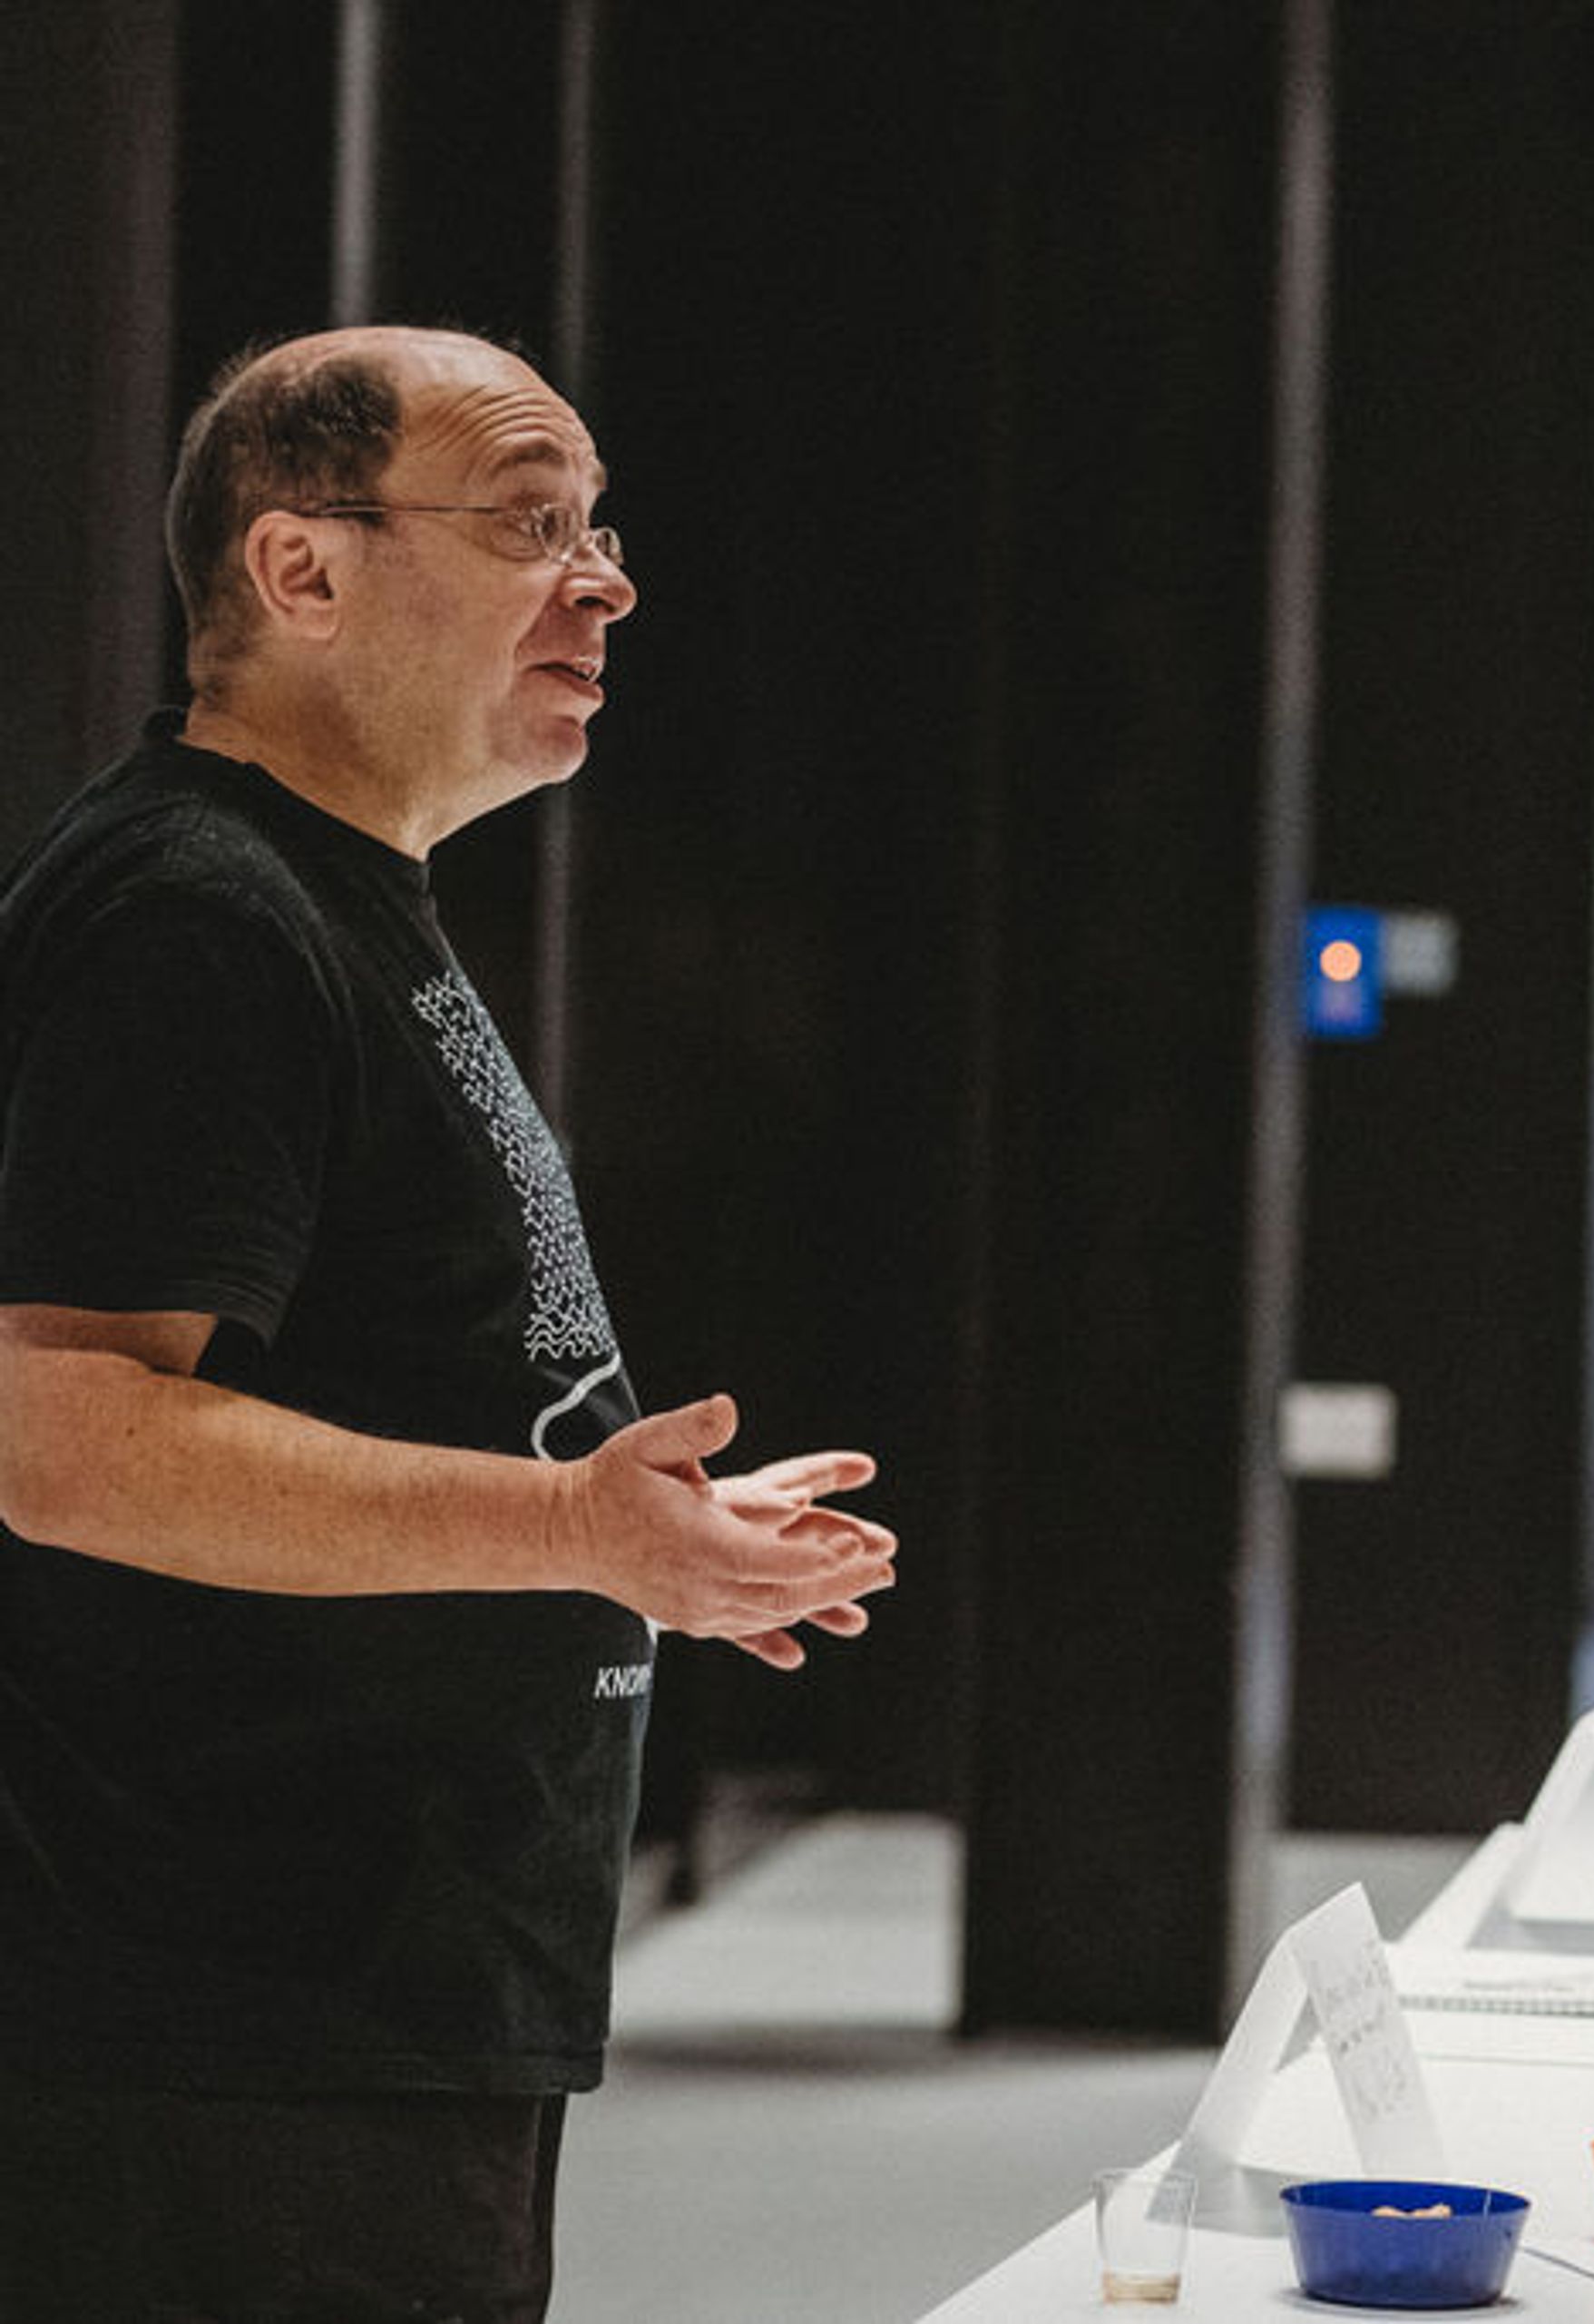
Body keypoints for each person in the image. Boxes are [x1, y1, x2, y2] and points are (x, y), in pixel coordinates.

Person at [0, 326, 899, 2319]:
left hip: (362, 1992)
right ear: (299, 574)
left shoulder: (330, 896)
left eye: (599, 530)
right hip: (226, 2014)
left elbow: (352, 1390)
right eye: (527, 525)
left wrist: (651, 1539)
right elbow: (64, 1437)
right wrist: (578, 1534)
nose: (605, 581)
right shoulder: (196, 916)